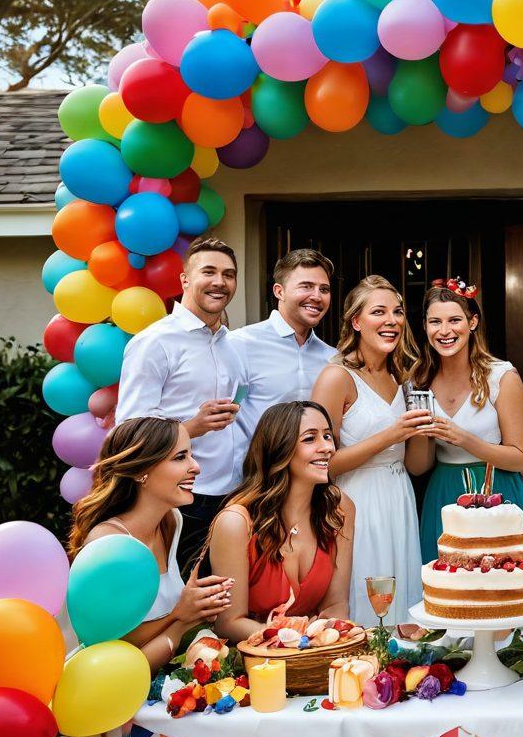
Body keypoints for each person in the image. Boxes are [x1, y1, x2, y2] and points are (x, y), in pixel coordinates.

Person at [116, 237, 246, 572]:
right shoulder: (154, 342)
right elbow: (128, 432)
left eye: (229, 274)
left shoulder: (230, 345)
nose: (220, 282)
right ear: (185, 280)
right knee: (184, 596)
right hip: (183, 500)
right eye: (209, 272)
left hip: (234, 497)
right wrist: (192, 427)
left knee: (223, 597)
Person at [67, 416, 233, 673]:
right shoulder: (109, 545)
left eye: (191, 455)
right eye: (180, 457)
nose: (196, 467)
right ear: (139, 472)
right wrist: (180, 616)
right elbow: (108, 648)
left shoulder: (171, 521)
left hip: (165, 675)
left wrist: (200, 607)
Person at [312, 275, 429, 626]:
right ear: (356, 322)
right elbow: (321, 463)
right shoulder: (337, 377)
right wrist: (392, 434)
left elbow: (417, 465)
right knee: (365, 595)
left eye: (397, 312)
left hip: (399, 495)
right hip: (356, 501)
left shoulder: (402, 378)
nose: (391, 320)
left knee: (402, 598)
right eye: (379, 312)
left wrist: (424, 429)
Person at [407, 277, 523, 564]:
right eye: (435, 322)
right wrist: (422, 431)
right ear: (425, 327)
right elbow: (418, 466)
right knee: (449, 585)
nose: (444, 331)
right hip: (443, 492)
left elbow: (521, 460)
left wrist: (465, 439)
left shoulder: (501, 376)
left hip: (497, 491)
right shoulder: (418, 381)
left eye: (454, 320)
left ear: (472, 322)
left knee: (499, 583)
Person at [207, 401, 355, 642]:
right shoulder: (236, 522)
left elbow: (336, 606)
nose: (327, 447)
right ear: (279, 449)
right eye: (310, 439)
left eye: (328, 436)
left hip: (314, 653)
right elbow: (228, 623)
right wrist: (297, 641)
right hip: (254, 654)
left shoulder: (338, 508)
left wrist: (320, 643)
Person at [228, 249, 335, 479]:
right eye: (306, 286)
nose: (317, 296)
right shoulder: (240, 344)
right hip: (255, 481)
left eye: (324, 289)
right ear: (279, 291)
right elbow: (226, 421)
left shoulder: (332, 359)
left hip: (311, 484)